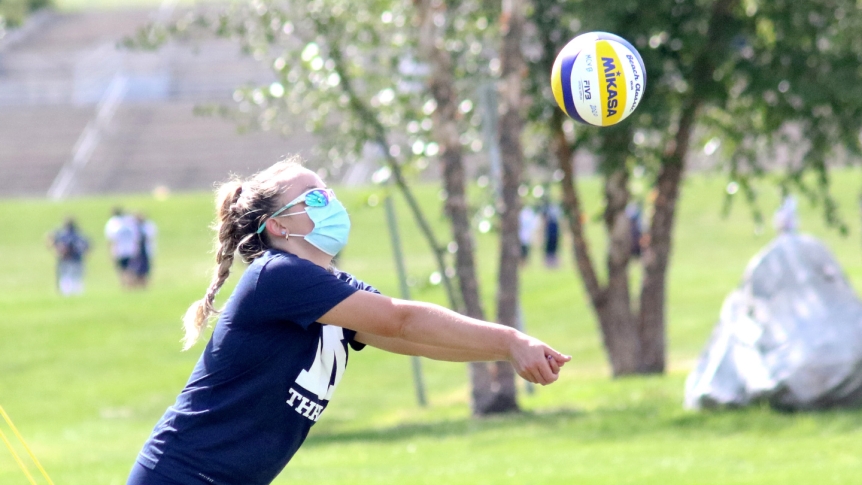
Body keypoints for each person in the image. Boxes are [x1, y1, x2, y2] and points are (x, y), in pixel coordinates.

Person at [126, 158, 571, 485]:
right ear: (277, 226)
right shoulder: (277, 275)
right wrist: (511, 339)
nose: (332, 203)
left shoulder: (331, 288)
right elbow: (402, 321)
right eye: (315, 197)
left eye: (330, 193)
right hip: (182, 475)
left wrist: (506, 351)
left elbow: (408, 339)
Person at [48, 217, 91, 296]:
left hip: (65, 259)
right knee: (76, 279)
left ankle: (67, 295)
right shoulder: (79, 234)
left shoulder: (61, 235)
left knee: (66, 278)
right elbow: (87, 245)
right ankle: (76, 295)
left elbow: (51, 242)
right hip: (76, 259)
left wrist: (56, 252)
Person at [105, 207, 139, 288]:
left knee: (122, 269)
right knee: (130, 268)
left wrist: (110, 251)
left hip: (120, 250)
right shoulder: (129, 222)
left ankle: (125, 284)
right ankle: (130, 283)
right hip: (131, 249)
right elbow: (136, 236)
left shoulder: (113, 223)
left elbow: (111, 238)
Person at [128, 212, 158, 288]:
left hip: (144, 251)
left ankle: (143, 285)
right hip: (135, 252)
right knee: (134, 269)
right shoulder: (133, 227)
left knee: (144, 269)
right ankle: (133, 285)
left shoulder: (147, 227)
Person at [541, 198, 561, 268]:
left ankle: (553, 261)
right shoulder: (546, 210)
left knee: (554, 245)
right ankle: (548, 262)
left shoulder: (556, 210)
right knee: (549, 245)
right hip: (549, 229)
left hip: (554, 229)